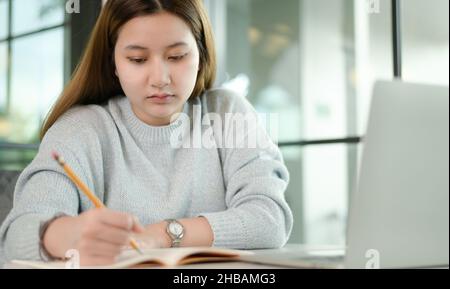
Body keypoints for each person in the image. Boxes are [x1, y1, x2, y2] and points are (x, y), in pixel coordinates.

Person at [0, 0, 292, 266]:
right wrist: (66, 234)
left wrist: (164, 234)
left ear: (201, 55)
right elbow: (16, 236)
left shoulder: (228, 113)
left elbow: (269, 218)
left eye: (177, 56)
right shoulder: (80, 129)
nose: (160, 79)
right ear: (113, 63)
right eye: (138, 60)